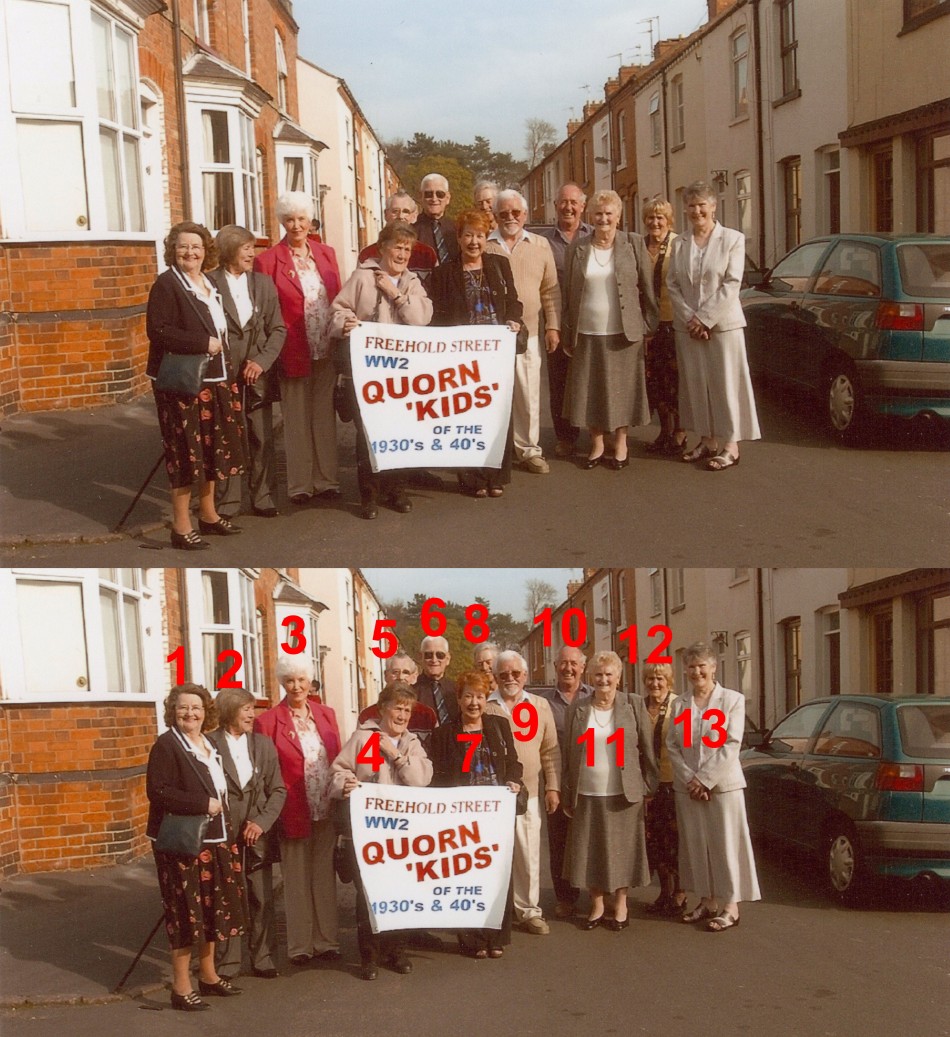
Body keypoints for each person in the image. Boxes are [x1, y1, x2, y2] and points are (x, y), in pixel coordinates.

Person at [145, 221, 245, 550]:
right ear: (173, 250)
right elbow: (157, 331)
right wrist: (202, 342)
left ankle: (209, 515)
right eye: (183, 246)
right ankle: (181, 526)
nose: (190, 252)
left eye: (196, 246)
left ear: (206, 251)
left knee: (211, 451)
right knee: (185, 453)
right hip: (184, 384)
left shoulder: (207, 282)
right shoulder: (167, 284)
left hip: (215, 379)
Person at [146, 683, 244, 1011]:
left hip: (215, 841)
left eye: (196, 707)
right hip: (184, 845)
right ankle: (181, 987)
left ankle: (209, 975)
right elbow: (158, 791)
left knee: (210, 912)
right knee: (185, 914)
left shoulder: (207, 743)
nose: (190, 713)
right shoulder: (167, 745)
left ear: (206, 712)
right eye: (183, 707)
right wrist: (202, 803)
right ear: (172, 711)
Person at [331, 682, 433, 980]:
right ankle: (369, 956)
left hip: (403, 834)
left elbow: (421, 779)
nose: (402, 715)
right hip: (369, 833)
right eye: (397, 708)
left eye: (407, 710)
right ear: (383, 709)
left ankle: (396, 951)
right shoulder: (364, 738)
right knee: (369, 894)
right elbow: (339, 770)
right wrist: (345, 783)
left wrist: (396, 755)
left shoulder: (412, 743)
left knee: (400, 893)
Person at [331, 221, 433, 519]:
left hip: (402, 373)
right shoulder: (362, 277)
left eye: (407, 249)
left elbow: (421, 318)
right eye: (397, 247)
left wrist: (395, 294)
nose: (402, 254)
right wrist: (345, 323)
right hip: (368, 372)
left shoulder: (412, 282)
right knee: (368, 433)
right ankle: (369, 494)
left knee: (400, 432)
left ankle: (396, 490)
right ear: (383, 248)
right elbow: (338, 309)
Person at [254, 191, 342, 505]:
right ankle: (300, 485)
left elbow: (337, 298)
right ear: (282, 222)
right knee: (296, 419)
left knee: (323, 416)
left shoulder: (326, 253)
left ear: (310, 220)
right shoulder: (267, 260)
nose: (296, 225)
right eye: (290, 219)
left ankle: (327, 480)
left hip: (325, 347)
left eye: (301, 218)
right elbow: (264, 311)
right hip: (292, 348)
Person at [666, 180, 760, 470]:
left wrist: (705, 318)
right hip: (688, 328)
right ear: (685, 209)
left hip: (723, 326)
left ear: (713, 206)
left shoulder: (732, 239)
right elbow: (673, 284)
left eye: (701, 205)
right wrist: (691, 319)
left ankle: (731, 445)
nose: (697, 211)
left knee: (726, 384)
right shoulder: (679, 243)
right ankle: (707, 441)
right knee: (696, 385)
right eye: (691, 206)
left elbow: (732, 283)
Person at [429, 209, 523, 498]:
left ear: (486, 238)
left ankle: (496, 476)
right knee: (466, 415)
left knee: (498, 413)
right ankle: (472, 478)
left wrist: (514, 319)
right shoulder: (444, 273)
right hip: (462, 357)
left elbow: (513, 301)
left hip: (496, 354)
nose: (474, 242)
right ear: (458, 238)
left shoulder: (499, 265)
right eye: (468, 235)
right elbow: (437, 316)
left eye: (480, 235)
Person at [254, 655, 342, 965]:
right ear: (282, 683)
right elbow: (264, 772)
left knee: (323, 877)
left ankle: (327, 941)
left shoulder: (326, 714)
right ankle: (300, 946)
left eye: (301, 680)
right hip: (292, 809)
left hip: (325, 807)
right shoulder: (267, 721)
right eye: (290, 680)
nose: (296, 686)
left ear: (310, 681)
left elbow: (337, 759)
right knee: (296, 880)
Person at [561, 651, 658, 931]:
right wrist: (567, 792)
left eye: (608, 674)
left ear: (618, 677)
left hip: (624, 792)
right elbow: (568, 754)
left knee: (622, 851)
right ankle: (597, 904)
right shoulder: (578, 708)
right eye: (598, 674)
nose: (603, 680)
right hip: (587, 791)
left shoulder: (633, 704)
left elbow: (648, 749)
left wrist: (648, 787)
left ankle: (621, 904)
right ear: (591, 677)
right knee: (590, 849)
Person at [562, 189, 658, 471]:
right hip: (587, 331)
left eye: (608, 213)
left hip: (624, 332)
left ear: (618, 216)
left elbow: (648, 288)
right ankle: (597, 444)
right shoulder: (577, 247)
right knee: (590, 389)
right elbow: (568, 294)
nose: (603, 219)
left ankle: (621, 443)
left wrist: (648, 326)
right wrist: (567, 331)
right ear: (591, 216)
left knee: (623, 391)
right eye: (598, 214)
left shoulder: (634, 243)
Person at [667, 642, 760, 931]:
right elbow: (673, 745)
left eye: (702, 666)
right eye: (691, 667)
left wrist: (705, 779)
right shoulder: (680, 704)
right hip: (689, 789)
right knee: (696, 845)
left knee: (725, 845)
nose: (697, 672)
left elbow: (732, 743)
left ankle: (731, 906)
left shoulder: (732, 700)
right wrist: (690, 779)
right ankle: (707, 901)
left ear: (714, 667)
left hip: (723, 787)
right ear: (685, 669)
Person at [430, 670, 523, 958]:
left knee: (498, 874)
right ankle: (472, 938)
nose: (474, 703)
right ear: (458, 699)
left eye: (480, 696)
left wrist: (514, 780)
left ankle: (496, 937)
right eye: (468, 696)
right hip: (462, 818)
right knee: (466, 876)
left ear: (486, 699)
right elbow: (438, 777)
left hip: (496, 815)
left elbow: (513, 762)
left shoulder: (499, 725)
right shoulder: (444, 734)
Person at [208, 688, 287, 979]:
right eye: (246, 710)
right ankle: (228, 962)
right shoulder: (209, 744)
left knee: (261, 896)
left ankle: (263, 957)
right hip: (222, 832)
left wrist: (262, 822)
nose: (253, 715)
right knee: (227, 897)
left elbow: (278, 789)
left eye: (253, 709)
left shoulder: (263, 744)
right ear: (229, 711)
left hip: (258, 834)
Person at [209, 225, 286, 518]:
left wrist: (262, 361)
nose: (253, 254)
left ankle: (263, 496)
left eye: (252, 248)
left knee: (261, 435)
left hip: (258, 373)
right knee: (227, 435)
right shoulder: (209, 283)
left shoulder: (263, 284)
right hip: (222, 371)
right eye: (246, 249)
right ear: (230, 251)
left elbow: (278, 328)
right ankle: (228, 501)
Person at [485, 190, 561, 475]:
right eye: (503, 213)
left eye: (516, 212)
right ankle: (495, 451)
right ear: (495, 216)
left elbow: (550, 290)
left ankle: (529, 450)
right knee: (492, 396)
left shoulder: (540, 245)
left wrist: (552, 325)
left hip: (527, 333)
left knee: (528, 394)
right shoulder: (485, 245)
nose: (510, 217)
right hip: (491, 336)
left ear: (525, 215)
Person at [486, 650, 560, 936]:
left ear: (525, 676)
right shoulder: (486, 705)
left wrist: (552, 786)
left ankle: (529, 911)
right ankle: (495, 911)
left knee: (528, 854)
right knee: (492, 856)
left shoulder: (540, 706)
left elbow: (550, 751)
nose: (510, 678)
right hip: (492, 796)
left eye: (516, 673)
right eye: (503, 674)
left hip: (527, 793)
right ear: (495, 677)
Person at [535, 183, 592, 458]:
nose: (568, 207)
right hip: (557, 317)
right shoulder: (543, 241)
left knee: (592, 377)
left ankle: (598, 435)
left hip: (590, 318)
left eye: (573, 202)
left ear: (583, 206)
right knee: (559, 380)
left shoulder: (595, 236)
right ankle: (565, 437)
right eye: (563, 202)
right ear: (555, 205)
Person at [536, 645, 592, 918]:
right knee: (559, 841)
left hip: (591, 779)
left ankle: (598, 896)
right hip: (557, 779)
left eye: (573, 663)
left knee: (592, 838)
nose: (568, 668)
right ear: (555, 666)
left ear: (583, 667)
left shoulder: (596, 697)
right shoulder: (542, 703)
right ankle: (565, 898)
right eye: (563, 663)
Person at [641, 198, 685, 457]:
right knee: (654, 380)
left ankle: (679, 432)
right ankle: (664, 430)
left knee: (674, 379)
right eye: (650, 217)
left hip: (673, 322)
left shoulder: (679, 245)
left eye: (660, 218)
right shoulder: (639, 245)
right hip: (647, 325)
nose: (655, 222)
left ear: (669, 220)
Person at [641, 662, 686, 917]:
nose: (655, 683)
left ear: (669, 681)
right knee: (654, 841)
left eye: (660, 678)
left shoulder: (679, 706)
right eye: (650, 678)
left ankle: (680, 893)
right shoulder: (639, 706)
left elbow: (687, 744)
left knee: (675, 840)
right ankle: (664, 891)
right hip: (648, 786)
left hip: (673, 783)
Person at [358, 191, 438, 279]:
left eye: (406, 211)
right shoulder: (367, 254)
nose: (400, 216)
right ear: (386, 214)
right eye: (395, 211)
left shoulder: (427, 254)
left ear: (414, 216)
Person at [414, 173, 459, 265]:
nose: (434, 199)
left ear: (448, 198)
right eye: (428, 194)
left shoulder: (457, 229)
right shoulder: (411, 232)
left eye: (440, 194)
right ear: (420, 196)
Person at [414, 635, 459, 724]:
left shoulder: (457, 690)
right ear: (420, 657)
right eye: (428, 655)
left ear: (448, 659)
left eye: (440, 655)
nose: (434, 660)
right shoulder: (411, 693)